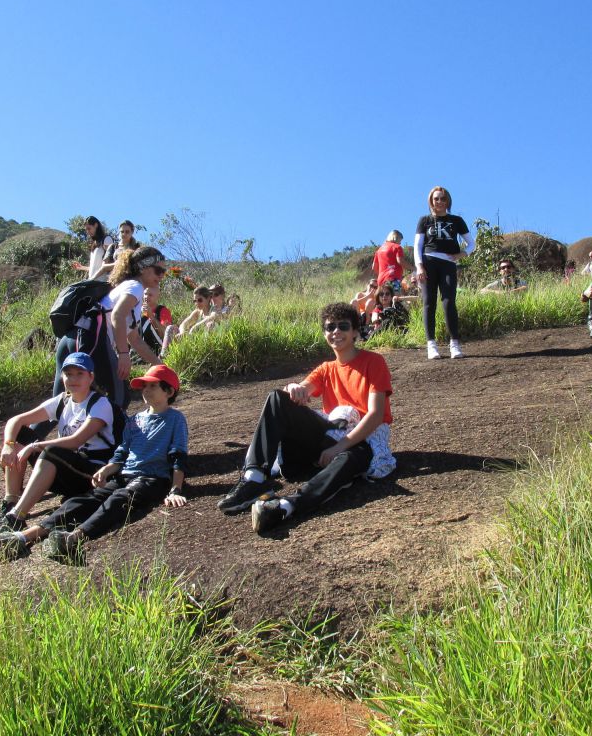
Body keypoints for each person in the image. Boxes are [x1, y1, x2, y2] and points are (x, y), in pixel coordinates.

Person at [0, 364, 188, 564]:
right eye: (144, 386)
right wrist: (106, 470)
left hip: (152, 478)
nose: (146, 391)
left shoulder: (175, 419)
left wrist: (175, 490)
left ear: (169, 392)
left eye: (153, 386)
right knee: (81, 501)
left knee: (119, 500)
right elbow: (122, 453)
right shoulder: (135, 420)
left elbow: (178, 455)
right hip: (124, 474)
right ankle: (21, 537)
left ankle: (72, 538)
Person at [217, 302, 394, 533]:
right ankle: (254, 478)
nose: (336, 332)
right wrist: (294, 388)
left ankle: (285, 506)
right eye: (330, 327)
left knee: (350, 458)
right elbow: (302, 389)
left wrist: (339, 447)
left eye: (343, 326)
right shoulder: (326, 368)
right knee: (277, 398)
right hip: (330, 433)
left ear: (355, 332)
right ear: (324, 333)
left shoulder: (374, 362)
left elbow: (376, 415)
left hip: (361, 439)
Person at [0, 351, 122, 542]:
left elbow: (75, 441)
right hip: (65, 468)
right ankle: (10, 501)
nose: (73, 379)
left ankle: (16, 517)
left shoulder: (100, 403)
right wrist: (9, 445)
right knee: (20, 435)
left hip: (93, 473)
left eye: (80, 374)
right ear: (62, 377)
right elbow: (16, 420)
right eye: (68, 374)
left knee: (51, 451)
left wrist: (34, 447)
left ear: (91, 377)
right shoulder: (63, 400)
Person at [415, 186, 473, 359]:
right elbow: (418, 246)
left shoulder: (456, 220)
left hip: (448, 263)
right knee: (429, 302)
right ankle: (431, 345)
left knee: (449, 301)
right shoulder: (424, 220)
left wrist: (461, 254)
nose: (439, 201)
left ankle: (454, 344)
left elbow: (472, 243)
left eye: (442, 198)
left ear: (448, 201)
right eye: (436, 199)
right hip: (428, 262)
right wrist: (419, 266)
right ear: (431, 201)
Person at [106, 246, 166, 406]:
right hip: (96, 344)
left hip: (83, 340)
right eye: (158, 271)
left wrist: (159, 364)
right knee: (119, 400)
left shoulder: (130, 287)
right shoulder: (135, 287)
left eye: (164, 272)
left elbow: (134, 339)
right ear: (143, 268)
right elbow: (117, 315)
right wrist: (123, 354)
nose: (161, 276)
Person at [161, 285, 213, 355]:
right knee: (170, 328)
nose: (197, 303)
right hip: (193, 342)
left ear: (208, 298)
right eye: (195, 301)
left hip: (206, 346)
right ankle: (164, 355)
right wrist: (182, 333)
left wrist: (193, 329)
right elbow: (183, 324)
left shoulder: (213, 312)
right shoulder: (197, 312)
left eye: (200, 300)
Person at [138, 286, 172, 357]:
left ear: (157, 297)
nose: (146, 297)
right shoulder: (138, 310)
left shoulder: (163, 311)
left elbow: (165, 334)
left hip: (158, 347)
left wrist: (151, 317)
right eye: (145, 294)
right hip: (142, 345)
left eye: (150, 295)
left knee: (144, 319)